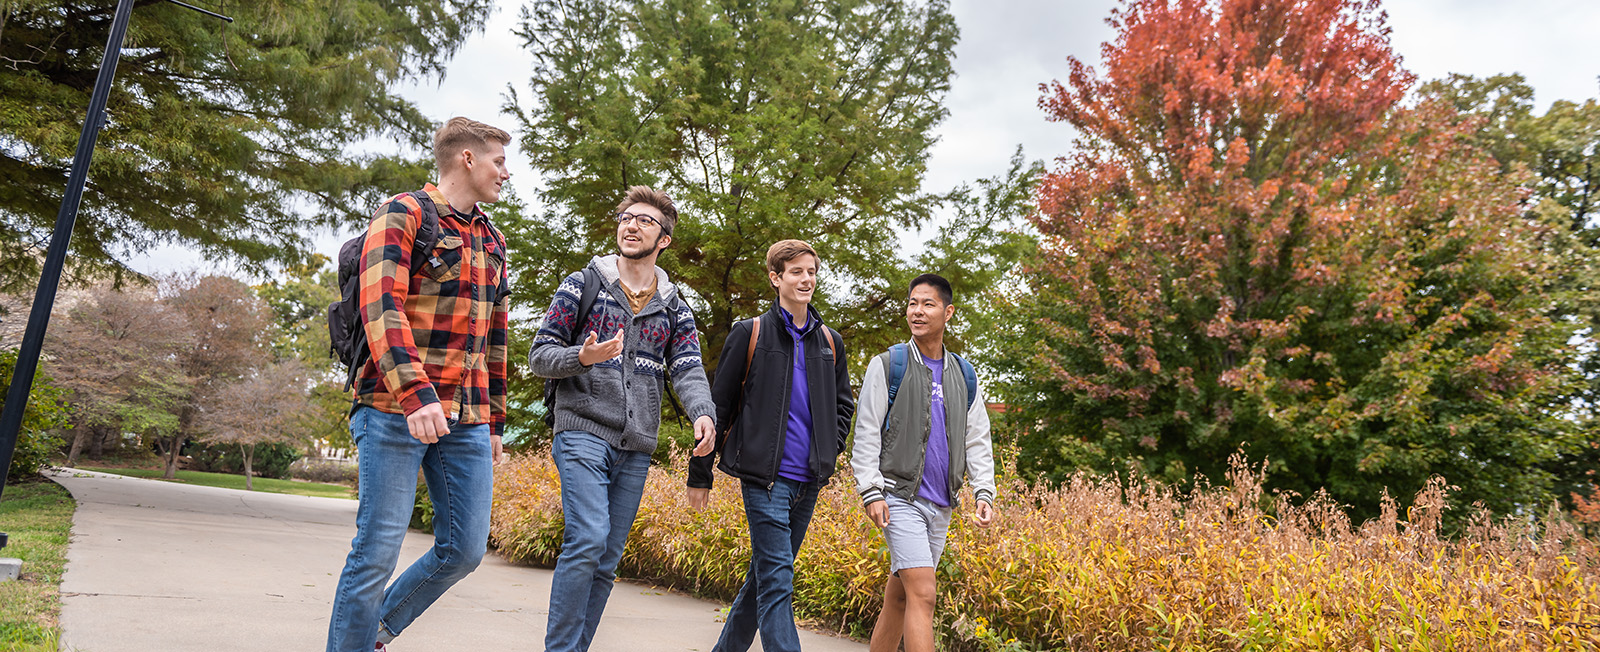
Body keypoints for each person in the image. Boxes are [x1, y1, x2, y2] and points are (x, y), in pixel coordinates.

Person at [326, 117, 514, 652]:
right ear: (468, 159)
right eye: (499, 161)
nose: (507, 172)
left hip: (467, 418)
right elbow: (379, 307)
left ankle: (374, 629)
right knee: (376, 550)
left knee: (465, 549)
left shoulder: (493, 239)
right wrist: (415, 393)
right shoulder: (403, 213)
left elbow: (495, 334)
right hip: (391, 407)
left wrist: (494, 419)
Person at [528, 185, 718, 652]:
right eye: (625, 217)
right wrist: (583, 356)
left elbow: (688, 367)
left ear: (664, 239)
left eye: (644, 221)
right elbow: (540, 355)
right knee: (589, 538)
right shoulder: (583, 284)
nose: (630, 225)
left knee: (607, 558)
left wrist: (702, 412)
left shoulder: (674, 306)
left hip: (635, 444)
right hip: (582, 429)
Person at [686, 239, 856, 652]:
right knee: (778, 580)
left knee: (764, 577)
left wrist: (828, 455)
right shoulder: (750, 333)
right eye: (796, 271)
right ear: (775, 277)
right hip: (765, 479)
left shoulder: (829, 343)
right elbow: (718, 408)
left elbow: (842, 407)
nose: (806, 279)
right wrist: (700, 474)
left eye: (811, 271)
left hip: (808, 482)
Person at [851, 273, 997, 652]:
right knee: (925, 593)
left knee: (900, 598)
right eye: (913, 303)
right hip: (898, 496)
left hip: (941, 502)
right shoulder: (889, 365)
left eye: (927, 304)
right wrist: (870, 490)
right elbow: (866, 431)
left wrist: (984, 490)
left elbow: (977, 437)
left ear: (948, 313)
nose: (917, 311)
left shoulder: (963, 375)